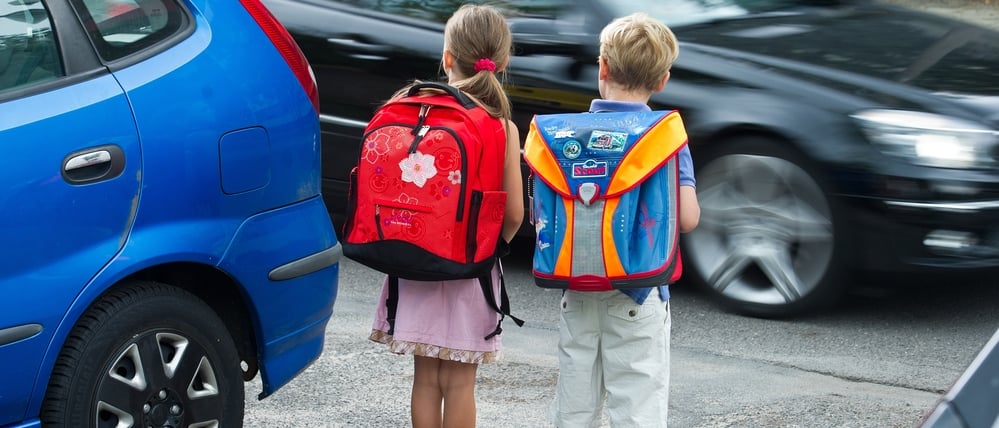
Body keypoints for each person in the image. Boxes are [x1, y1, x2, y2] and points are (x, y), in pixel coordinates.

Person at [367, 4, 524, 428]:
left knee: (425, 379)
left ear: (447, 57)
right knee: (458, 384)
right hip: (470, 270)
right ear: (502, 61)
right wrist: (492, 250)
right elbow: (514, 213)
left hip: (412, 260)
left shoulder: (413, 108)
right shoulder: (501, 126)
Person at [549, 12, 700, 428]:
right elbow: (686, 219)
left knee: (574, 404)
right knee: (637, 405)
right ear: (663, 80)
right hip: (639, 289)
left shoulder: (567, 135)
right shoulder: (664, 136)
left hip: (577, 284)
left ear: (602, 67)